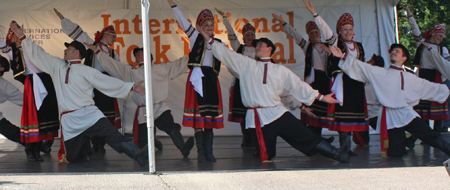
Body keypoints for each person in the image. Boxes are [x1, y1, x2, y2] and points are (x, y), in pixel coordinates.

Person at [197, 22, 350, 162]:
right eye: (256, 46)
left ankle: (337, 154)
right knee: (266, 155)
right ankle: (260, 154)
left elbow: (297, 86)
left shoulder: (279, 70)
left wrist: (322, 98)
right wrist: (208, 38)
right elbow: (227, 54)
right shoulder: (247, 65)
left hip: (278, 113)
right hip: (259, 119)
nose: (257, 47)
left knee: (305, 135)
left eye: (261, 45)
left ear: (269, 49)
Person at [9, 22, 148, 166]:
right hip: (70, 120)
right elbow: (40, 55)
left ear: (76, 53)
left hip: (89, 114)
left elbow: (105, 81)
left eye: (68, 49)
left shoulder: (86, 70)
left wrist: (131, 87)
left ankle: (139, 155)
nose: (65, 51)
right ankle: (85, 152)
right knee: (74, 158)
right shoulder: (57, 66)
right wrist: (23, 38)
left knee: (113, 135)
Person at [330, 43, 450, 158]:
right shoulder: (381, 73)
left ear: (404, 58)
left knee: (431, 136)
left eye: (397, 51)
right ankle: (402, 146)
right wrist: (343, 56)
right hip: (391, 117)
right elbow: (362, 67)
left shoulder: (410, 77)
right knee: (395, 153)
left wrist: (447, 89)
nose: (393, 52)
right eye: (392, 50)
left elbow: (430, 87)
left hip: (406, 113)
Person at [85, 44, 194, 157]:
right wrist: (98, 52)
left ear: (148, 55)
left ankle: (184, 149)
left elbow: (178, 64)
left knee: (170, 127)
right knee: (143, 143)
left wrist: (194, 53)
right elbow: (114, 66)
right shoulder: (131, 71)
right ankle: (155, 143)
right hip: (144, 111)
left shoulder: (160, 68)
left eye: (140, 52)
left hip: (159, 108)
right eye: (135, 54)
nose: (136, 54)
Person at [304, 1, 368, 154]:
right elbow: (326, 31)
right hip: (343, 84)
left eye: (350, 29)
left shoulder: (359, 46)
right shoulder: (336, 44)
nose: (348, 31)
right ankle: (344, 148)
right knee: (342, 116)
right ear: (339, 31)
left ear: (353, 31)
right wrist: (315, 14)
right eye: (344, 29)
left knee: (353, 116)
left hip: (357, 85)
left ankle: (347, 148)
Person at [54, 8, 122, 153]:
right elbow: (78, 33)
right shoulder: (91, 45)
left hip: (105, 85)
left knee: (105, 115)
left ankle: (100, 144)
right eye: (113, 36)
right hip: (92, 86)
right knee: (91, 114)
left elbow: (119, 69)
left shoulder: (114, 53)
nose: (114, 39)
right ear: (105, 35)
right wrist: (63, 19)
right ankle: (90, 143)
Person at [168, 0, 224, 162]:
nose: (209, 27)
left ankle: (209, 152)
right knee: (199, 118)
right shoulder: (195, 36)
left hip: (212, 81)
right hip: (198, 80)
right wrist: (173, 5)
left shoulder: (217, 43)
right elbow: (182, 21)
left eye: (211, 24)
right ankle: (201, 152)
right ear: (199, 26)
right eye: (206, 24)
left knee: (210, 117)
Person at [272, 6, 334, 143]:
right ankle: (314, 138)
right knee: (313, 109)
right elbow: (294, 35)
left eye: (317, 32)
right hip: (313, 81)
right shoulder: (307, 46)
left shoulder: (329, 47)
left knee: (323, 110)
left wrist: (329, 51)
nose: (315, 35)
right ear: (309, 36)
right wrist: (283, 23)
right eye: (312, 33)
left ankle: (318, 138)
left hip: (326, 80)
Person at [0, 22, 59, 162]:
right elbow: (3, 46)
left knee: (46, 116)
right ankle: (31, 150)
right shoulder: (14, 52)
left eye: (19, 35)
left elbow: (41, 57)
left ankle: (44, 143)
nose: (17, 38)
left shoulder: (32, 48)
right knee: (33, 118)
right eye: (15, 36)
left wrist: (23, 36)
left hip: (45, 83)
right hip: (31, 86)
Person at [401, 5, 449, 135]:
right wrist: (409, 14)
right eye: (440, 35)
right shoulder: (422, 45)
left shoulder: (442, 50)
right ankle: (425, 134)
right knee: (423, 106)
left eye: (442, 37)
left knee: (438, 102)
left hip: (436, 77)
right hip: (422, 76)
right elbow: (415, 30)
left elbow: (446, 65)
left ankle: (437, 133)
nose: (441, 38)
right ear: (433, 34)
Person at [216, 8, 255, 147]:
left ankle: (254, 136)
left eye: (252, 34)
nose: (250, 37)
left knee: (254, 110)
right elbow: (231, 34)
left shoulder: (260, 49)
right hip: (241, 83)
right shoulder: (239, 47)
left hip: (255, 84)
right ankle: (246, 137)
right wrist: (225, 18)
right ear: (244, 37)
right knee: (242, 112)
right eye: (248, 35)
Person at [0, 56, 24, 146]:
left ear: (1, 68)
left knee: (12, 132)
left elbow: (23, 100)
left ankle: (38, 145)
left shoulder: (4, 86)